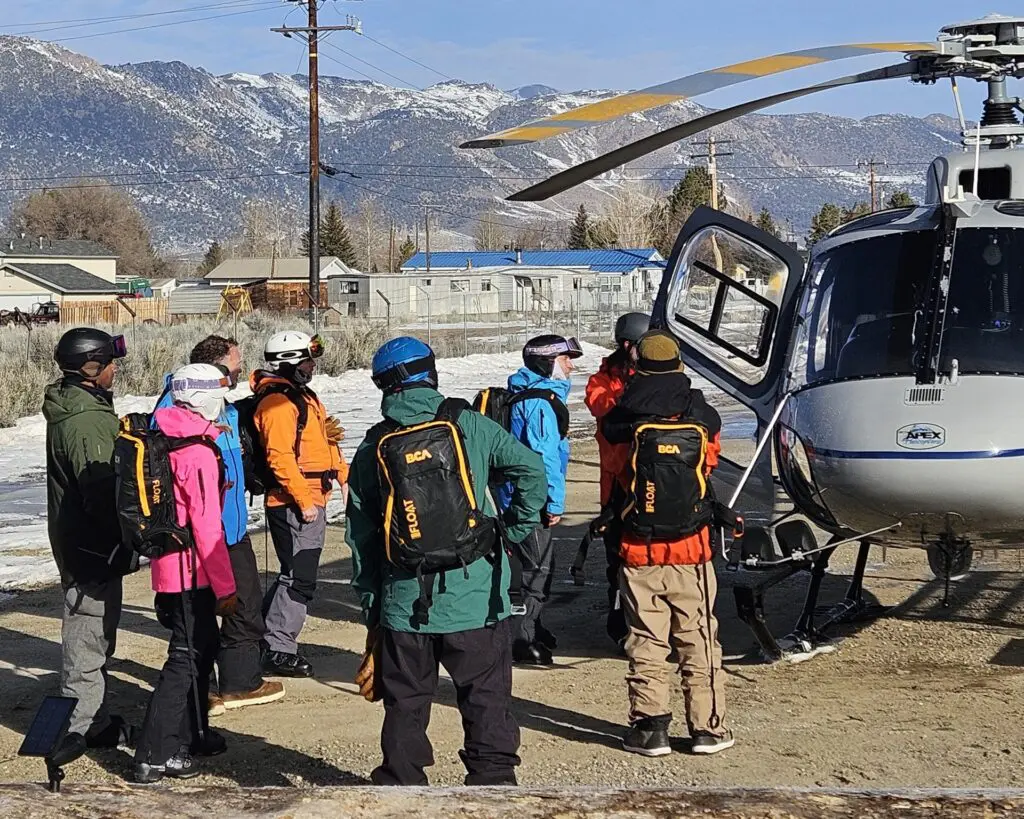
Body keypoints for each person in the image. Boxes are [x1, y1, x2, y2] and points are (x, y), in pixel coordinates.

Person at [346, 337, 546, 787]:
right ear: (430, 372)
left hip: (404, 601)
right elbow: (531, 470)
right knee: (485, 698)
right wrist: (512, 530)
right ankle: (493, 786)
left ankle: (401, 786)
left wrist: (373, 607)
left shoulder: (375, 444)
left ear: (384, 385)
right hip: (475, 595)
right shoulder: (469, 424)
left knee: (406, 703)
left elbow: (361, 535)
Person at [602, 330, 734, 758]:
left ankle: (649, 727)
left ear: (638, 367)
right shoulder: (701, 416)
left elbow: (617, 469)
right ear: (679, 365)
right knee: (698, 639)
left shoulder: (622, 419)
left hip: (638, 548)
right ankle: (708, 728)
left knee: (645, 639)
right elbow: (708, 464)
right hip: (691, 548)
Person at [154, 336, 285, 715]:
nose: (238, 374)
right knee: (213, 611)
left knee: (234, 607)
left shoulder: (220, 406)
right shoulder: (180, 409)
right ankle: (219, 687)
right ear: (212, 371)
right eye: (233, 367)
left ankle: (227, 683)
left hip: (228, 526)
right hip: (204, 532)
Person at [134, 364, 238, 784]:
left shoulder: (167, 433)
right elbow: (206, 526)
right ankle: (154, 754)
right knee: (185, 657)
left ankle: (193, 734)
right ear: (203, 399)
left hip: (168, 566)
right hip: (190, 571)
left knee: (202, 647)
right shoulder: (195, 452)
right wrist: (226, 588)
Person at [44, 327, 135, 763]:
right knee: (88, 634)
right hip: (91, 546)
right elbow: (99, 491)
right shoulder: (87, 420)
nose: (117, 369)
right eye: (111, 362)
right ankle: (76, 729)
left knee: (96, 630)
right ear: (91, 369)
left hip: (77, 537)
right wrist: (122, 539)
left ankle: (92, 717)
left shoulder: (78, 405)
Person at [252, 330, 347, 678]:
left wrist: (341, 472)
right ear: (288, 362)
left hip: (311, 497)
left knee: (296, 574)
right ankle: (277, 647)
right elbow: (280, 457)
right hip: (293, 502)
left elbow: (322, 442)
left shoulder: (303, 397)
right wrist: (304, 501)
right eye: (307, 359)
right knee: (299, 577)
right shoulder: (277, 404)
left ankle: (264, 635)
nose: (312, 365)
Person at [498, 334, 582, 665]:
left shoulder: (534, 395)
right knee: (537, 566)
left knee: (539, 563)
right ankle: (522, 638)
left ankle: (534, 624)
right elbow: (544, 456)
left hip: (520, 496)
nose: (571, 365)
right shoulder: (538, 402)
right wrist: (554, 503)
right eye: (565, 360)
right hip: (529, 499)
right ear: (546, 363)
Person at [584, 312, 650, 647]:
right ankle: (621, 620)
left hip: (651, 481)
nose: (627, 348)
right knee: (619, 557)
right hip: (617, 485)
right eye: (623, 342)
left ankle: (651, 618)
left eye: (633, 343)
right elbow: (601, 406)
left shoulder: (660, 375)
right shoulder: (603, 378)